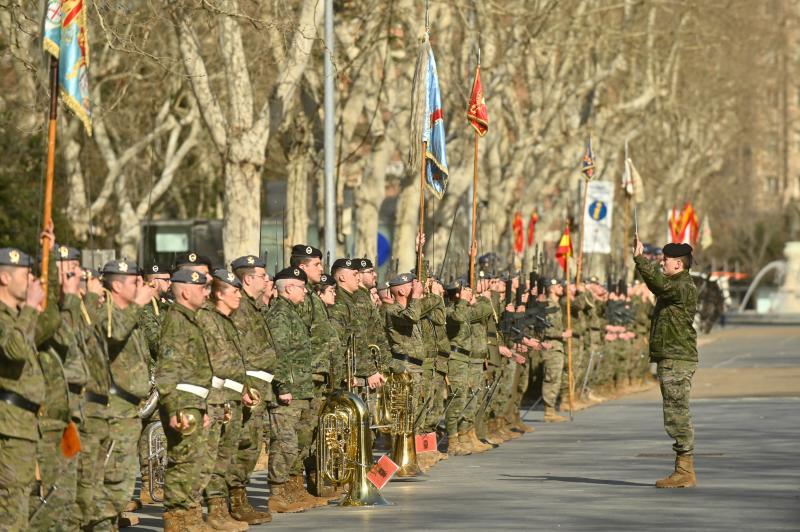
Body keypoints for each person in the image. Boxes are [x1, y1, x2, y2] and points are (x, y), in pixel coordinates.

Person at [92, 259, 155, 529]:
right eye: (134, 281)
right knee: (111, 475)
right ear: (117, 285)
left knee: (123, 477)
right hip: (112, 407)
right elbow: (112, 334)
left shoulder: (129, 313)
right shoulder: (105, 312)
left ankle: (109, 520)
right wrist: (139, 304)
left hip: (129, 408)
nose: (141, 285)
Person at [633, 238, 698, 488]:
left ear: (678, 265)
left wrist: (641, 259)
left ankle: (685, 471)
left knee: (676, 412)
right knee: (674, 411)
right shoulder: (676, 284)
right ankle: (683, 468)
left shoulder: (681, 285)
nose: (662, 262)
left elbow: (657, 284)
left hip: (677, 358)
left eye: (665, 260)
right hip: (673, 357)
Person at [155, 268, 214, 528]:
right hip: (183, 401)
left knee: (194, 463)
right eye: (201, 288)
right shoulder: (176, 320)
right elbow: (167, 369)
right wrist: (173, 409)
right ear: (185, 291)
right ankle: (178, 519)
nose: (206, 292)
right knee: (183, 463)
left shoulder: (190, 318)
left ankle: (190, 515)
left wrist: (204, 407)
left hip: (194, 401)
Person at [196, 269, 252, 530]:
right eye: (234, 290)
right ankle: (208, 510)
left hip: (231, 395)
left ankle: (219, 509)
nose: (239, 295)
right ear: (219, 293)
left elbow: (235, 361)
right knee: (210, 458)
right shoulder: (207, 319)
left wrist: (244, 388)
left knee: (225, 456)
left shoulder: (227, 318)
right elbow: (214, 362)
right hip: (215, 396)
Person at [265, 267, 318, 513]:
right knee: (284, 443)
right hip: (287, 391)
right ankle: (276, 492)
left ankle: (290, 489)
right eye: (301, 287)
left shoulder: (292, 312)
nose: (305, 291)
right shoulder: (280, 314)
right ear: (288, 288)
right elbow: (278, 351)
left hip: (300, 389)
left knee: (297, 442)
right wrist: (283, 385)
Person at [0, 247, 45, 530]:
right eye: (25, 275)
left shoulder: (18, 317)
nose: (32, 281)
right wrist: (29, 307)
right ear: (4, 277)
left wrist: (47, 250)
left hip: (24, 425)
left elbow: (50, 327)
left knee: (22, 508)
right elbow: (13, 350)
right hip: (8, 426)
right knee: (11, 511)